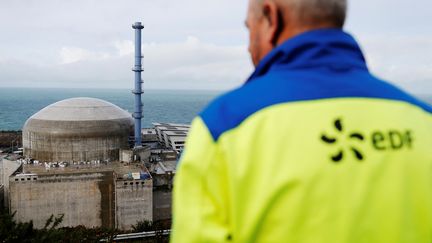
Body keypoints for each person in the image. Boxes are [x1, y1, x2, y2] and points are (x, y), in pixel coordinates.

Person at [171, 0, 432, 242]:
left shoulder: (223, 128)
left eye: (249, 30)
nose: (249, 47)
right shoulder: (423, 120)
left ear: (271, 18)